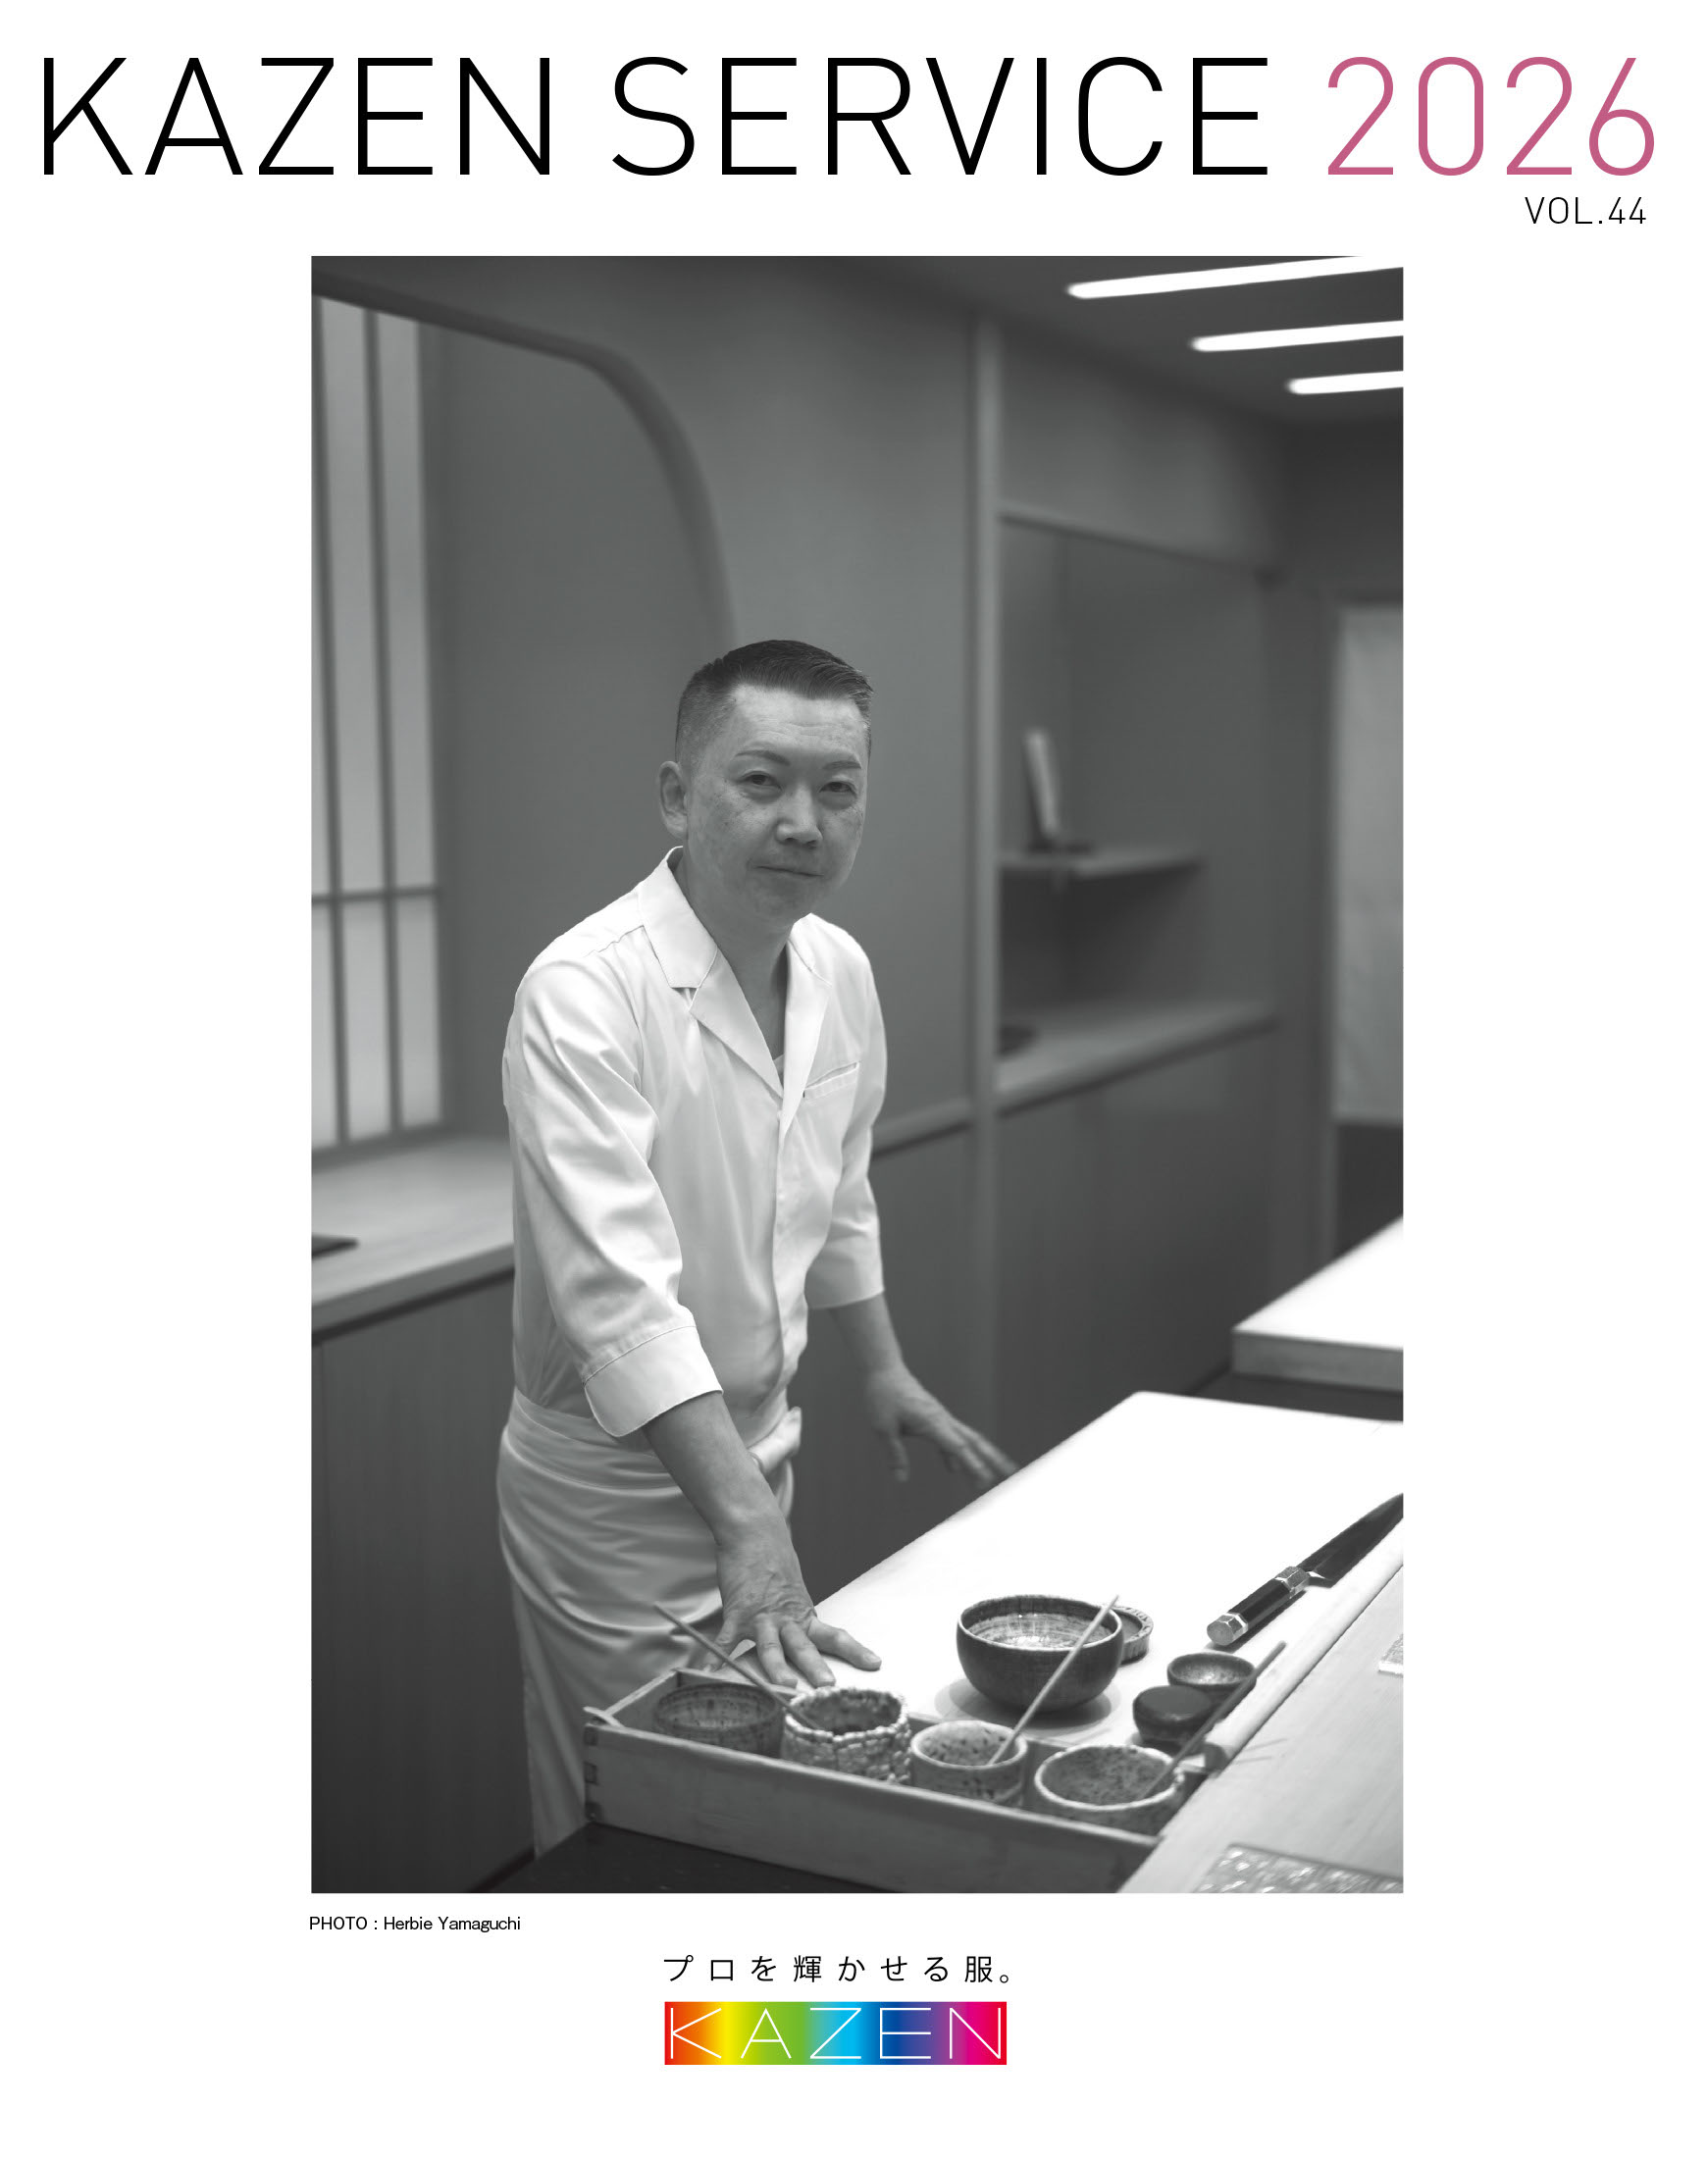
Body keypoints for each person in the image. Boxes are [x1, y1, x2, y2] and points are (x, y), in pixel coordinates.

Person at [495, 639, 1015, 1850]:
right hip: (609, 1490)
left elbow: (835, 1185)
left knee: (746, 1795)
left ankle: (719, 1981)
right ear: (678, 795)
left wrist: (881, 1369)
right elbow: (618, 1300)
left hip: (760, 1449)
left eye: (837, 790)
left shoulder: (838, 967)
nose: (802, 822)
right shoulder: (583, 989)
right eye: (761, 781)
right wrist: (746, 1524)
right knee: (631, 1798)